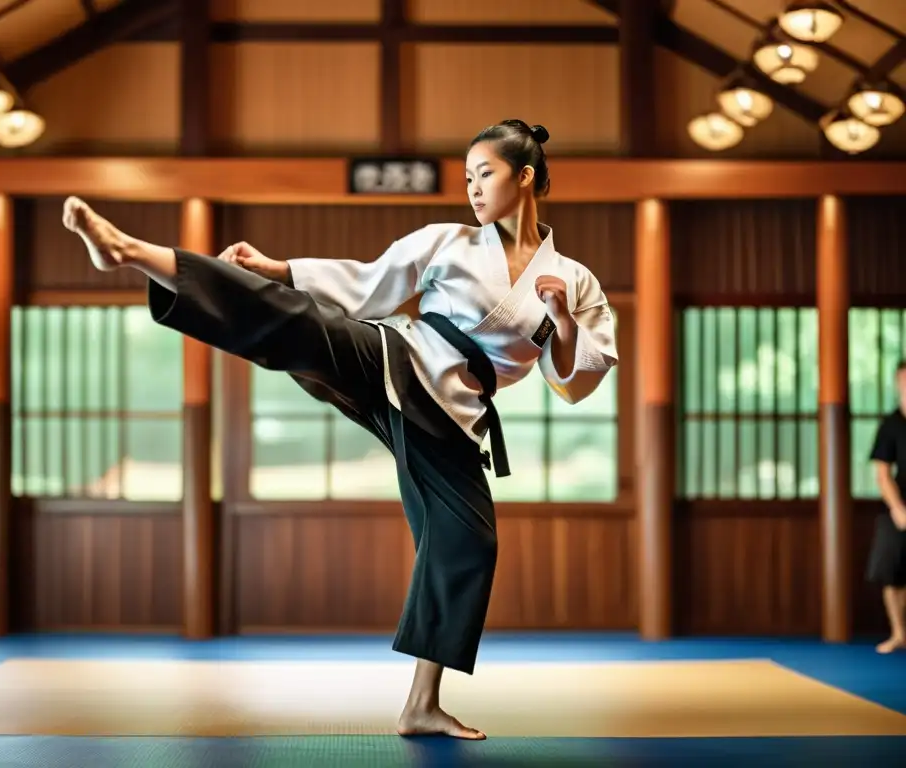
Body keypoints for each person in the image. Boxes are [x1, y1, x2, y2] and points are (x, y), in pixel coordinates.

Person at [61, 119, 618, 738]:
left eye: (484, 173)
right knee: (295, 324)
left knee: (468, 545)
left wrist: (564, 322)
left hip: (456, 417)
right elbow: (365, 282)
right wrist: (274, 267)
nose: (473, 189)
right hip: (396, 360)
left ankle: (421, 705)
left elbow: (574, 383)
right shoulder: (450, 241)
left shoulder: (573, 280)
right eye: (466, 177)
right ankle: (129, 250)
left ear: (526, 176)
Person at [867, 359, 906, 654]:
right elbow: (882, 473)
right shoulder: (891, 424)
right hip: (899, 504)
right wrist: (898, 508)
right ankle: (899, 632)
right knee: (891, 572)